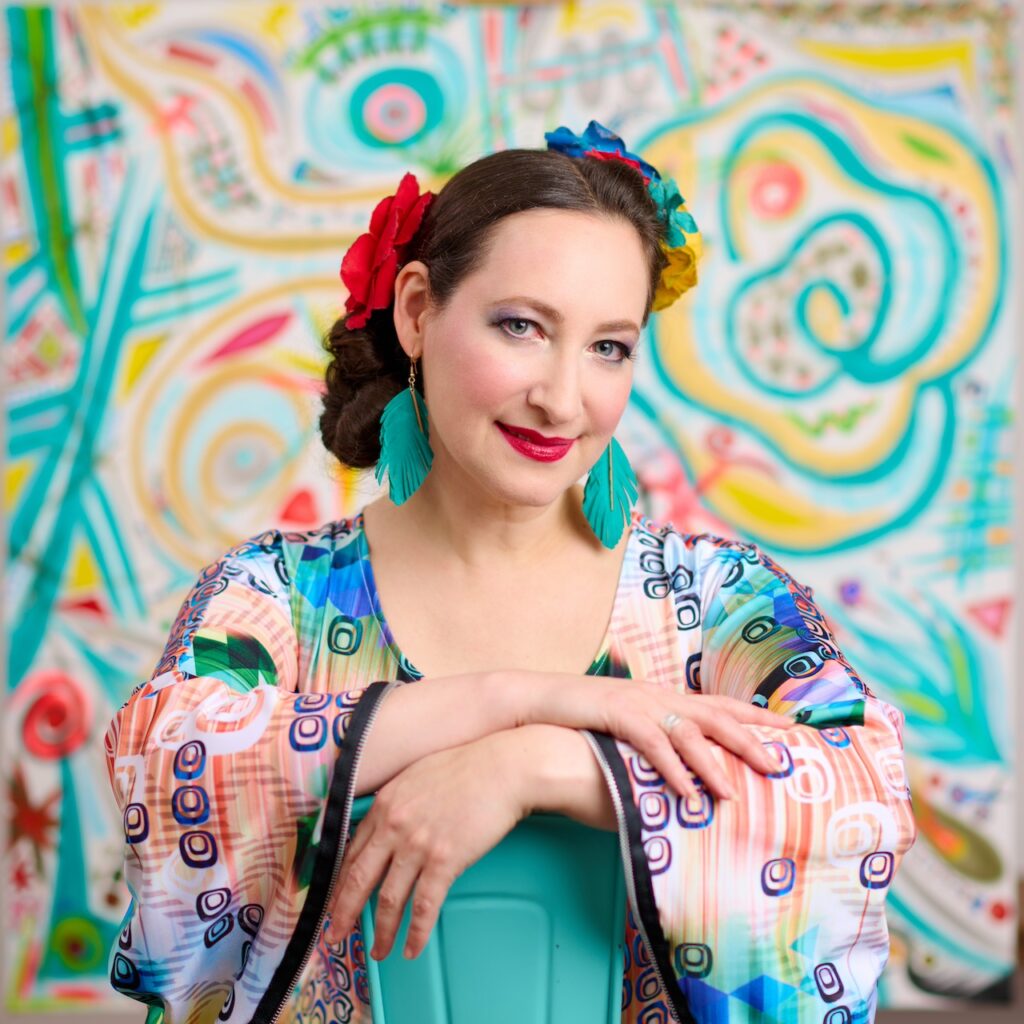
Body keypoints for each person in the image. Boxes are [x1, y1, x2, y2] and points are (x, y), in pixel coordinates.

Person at [104, 121, 917, 1024]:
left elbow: (861, 779)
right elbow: (165, 757)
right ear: (418, 310)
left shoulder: (710, 601)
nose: (563, 399)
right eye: (522, 327)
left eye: (609, 347)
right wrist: (526, 697)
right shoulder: (277, 595)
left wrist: (538, 764)